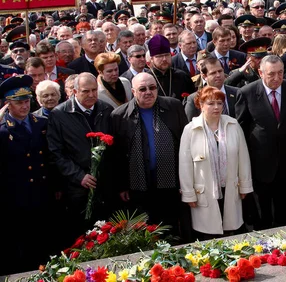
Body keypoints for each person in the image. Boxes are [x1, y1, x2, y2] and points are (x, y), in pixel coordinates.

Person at [110, 73, 189, 237]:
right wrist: (121, 185)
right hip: (139, 184)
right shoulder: (119, 115)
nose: (148, 92)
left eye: (152, 88)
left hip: (171, 181)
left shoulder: (173, 107)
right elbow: (117, 155)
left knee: (171, 227)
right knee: (145, 230)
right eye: (142, 89)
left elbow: (186, 142)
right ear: (133, 91)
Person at [236, 55, 286, 229]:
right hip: (259, 163)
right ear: (260, 73)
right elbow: (241, 130)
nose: (277, 78)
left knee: (285, 210)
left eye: (280, 73)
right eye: (271, 74)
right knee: (263, 212)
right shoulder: (247, 93)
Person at [47, 73, 113, 243]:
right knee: (81, 238)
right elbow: (56, 153)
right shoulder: (59, 114)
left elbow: (115, 150)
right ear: (74, 91)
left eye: (94, 90)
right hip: (77, 189)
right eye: (85, 91)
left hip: (104, 186)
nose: (91, 95)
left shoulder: (105, 110)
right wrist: (79, 176)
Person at [0, 75, 56, 275]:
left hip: (42, 193)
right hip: (17, 198)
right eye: (19, 103)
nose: (24, 106)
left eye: (27, 101)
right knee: (23, 247)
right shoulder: (3, 130)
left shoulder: (40, 123)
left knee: (44, 241)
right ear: (8, 104)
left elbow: (51, 158)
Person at [180, 86, 253, 238]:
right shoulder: (190, 129)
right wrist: (189, 194)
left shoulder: (233, 124)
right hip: (204, 191)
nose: (216, 107)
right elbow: (185, 164)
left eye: (220, 103)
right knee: (208, 233)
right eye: (211, 103)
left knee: (232, 231)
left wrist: (245, 185)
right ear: (200, 105)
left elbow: (243, 158)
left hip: (230, 187)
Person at [146, 34, 195, 101]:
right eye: (160, 56)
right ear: (152, 59)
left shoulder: (182, 76)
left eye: (167, 55)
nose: (164, 59)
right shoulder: (146, 79)